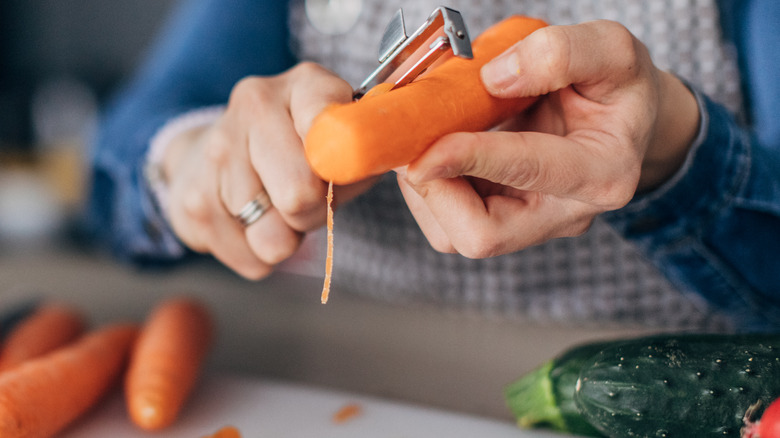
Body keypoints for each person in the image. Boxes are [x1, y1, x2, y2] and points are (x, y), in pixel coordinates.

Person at [87, 0, 780, 331]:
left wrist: (674, 151)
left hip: (665, 383)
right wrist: (190, 162)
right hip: (366, 378)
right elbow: (120, 155)